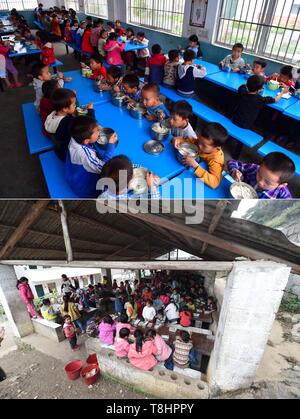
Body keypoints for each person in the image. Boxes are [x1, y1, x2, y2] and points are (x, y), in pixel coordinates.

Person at [66, 116, 117, 198]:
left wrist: (96, 128)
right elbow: (104, 167)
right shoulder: (85, 155)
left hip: (73, 175)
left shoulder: (75, 137)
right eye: (97, 131)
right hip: (84, 189)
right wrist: (111, 146)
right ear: (86, 140)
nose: (99, 132)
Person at [173, 122, 228, 189]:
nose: (199, 145)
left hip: (200, 180)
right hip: (189, 168)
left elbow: (215, 183)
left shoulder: (216, 159)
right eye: (199, 141)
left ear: (216, 147)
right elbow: (186, 141)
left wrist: (195, 166)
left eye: (204, 146)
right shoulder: (200, 142)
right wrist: (177, 140)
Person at [45, 89, 94, 161]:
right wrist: (90, 111)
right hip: (68, 155)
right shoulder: (67, 122)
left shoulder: (53, 113)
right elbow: (88, 127)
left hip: (58, 148)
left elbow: (70, 111)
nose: (75, 106)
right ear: (65, 109)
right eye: (74, 104)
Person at [228, 152, 295, 199]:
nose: (260, 182)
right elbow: (232, 162)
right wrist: (234, 171)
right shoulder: (254, 168)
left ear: (281, 185)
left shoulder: (283, 194)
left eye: (267, 182)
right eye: (259, 175)